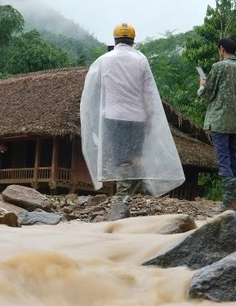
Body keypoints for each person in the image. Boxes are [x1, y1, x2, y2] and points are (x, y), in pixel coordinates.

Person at [79, 22, 185, 219]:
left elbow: (98, 86)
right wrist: (151, 117)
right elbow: (148, 92)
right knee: (136, 157)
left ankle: (122, 198)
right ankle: (133, 194)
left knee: (120, 158)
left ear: (115, 39)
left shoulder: (104, 60)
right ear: (133, 40)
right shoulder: (141, 60)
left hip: (113, 116)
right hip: (137, 117)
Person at [198, 35, 236, 212]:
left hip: (219, 121)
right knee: (234, 161)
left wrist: (201, 85)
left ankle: (227, 203)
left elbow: (207, 94)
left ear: (222, 49)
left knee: (224, 161)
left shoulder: (218, 67)